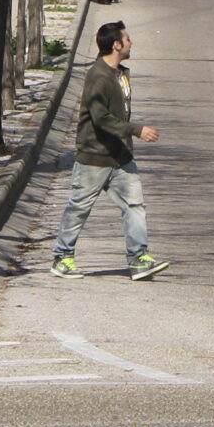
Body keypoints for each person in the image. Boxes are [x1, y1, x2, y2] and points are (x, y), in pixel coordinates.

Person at [52, 20, 167, 280]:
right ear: (116, 44)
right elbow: (100, 118)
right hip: (95, 157)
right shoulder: (98, 76)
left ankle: (139, 259)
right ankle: (62, 257)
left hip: (121, 157)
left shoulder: (120, 73)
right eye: (127, 39)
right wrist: (136, 130)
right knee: (79, 207)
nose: (130, 42)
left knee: (135, 205)